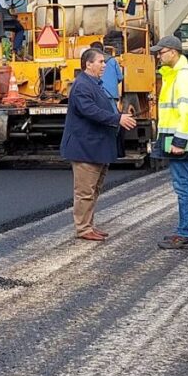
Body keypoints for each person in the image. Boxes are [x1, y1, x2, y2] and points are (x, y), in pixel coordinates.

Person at [61, 48, 138, 241]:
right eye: (101, 62)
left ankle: (89, 225)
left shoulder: (95, 84)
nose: (104, 65)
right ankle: (83, 228)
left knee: (93, 190)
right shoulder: (82, 86)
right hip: (85, 148)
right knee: (85, 191)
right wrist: (117, 118)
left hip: (96, 147)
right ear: (88, 64)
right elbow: (90, 111)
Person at [150, 36, 188, 250]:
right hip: (175, 137)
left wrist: (179, 141)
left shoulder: (183, 77)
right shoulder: (174, 75)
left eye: (161, 52)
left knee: (182, 186)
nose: (158, 56)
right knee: (185, 184)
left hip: (181, 139)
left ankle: (184, 233)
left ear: (173, 52)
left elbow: (186, 111)